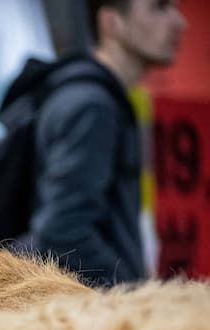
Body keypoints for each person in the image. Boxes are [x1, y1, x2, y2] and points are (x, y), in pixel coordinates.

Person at [24, 0, 186, 287]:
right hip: (95, 319)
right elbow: (61, 231)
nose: (179, 22)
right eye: (159, 7)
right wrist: (135, 296)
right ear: (111, 22)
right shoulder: (93, 107)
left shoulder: (93, 97)